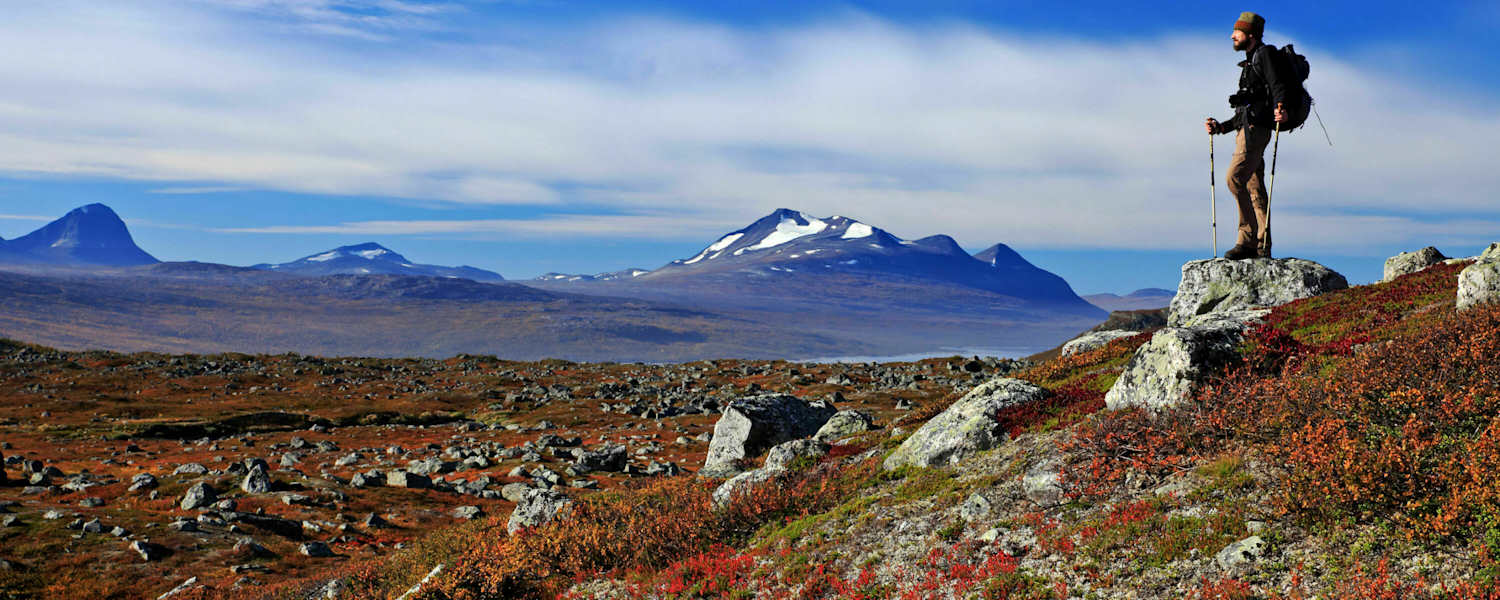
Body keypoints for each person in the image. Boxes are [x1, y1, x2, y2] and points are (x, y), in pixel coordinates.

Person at [1204, 11, 1289, 260]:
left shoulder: (1264, 55)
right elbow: (1247, 110)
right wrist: (1222, 127)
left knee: (1234, 179)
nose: (1232, 36)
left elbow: (1277, 86)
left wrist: (1281, 108)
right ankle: (1262, 246)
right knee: (1254, 188)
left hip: (1254, 133)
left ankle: (1247, 240)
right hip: (1249, 129)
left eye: (1237, 32)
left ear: (1250, 35)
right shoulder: (1251, 62)